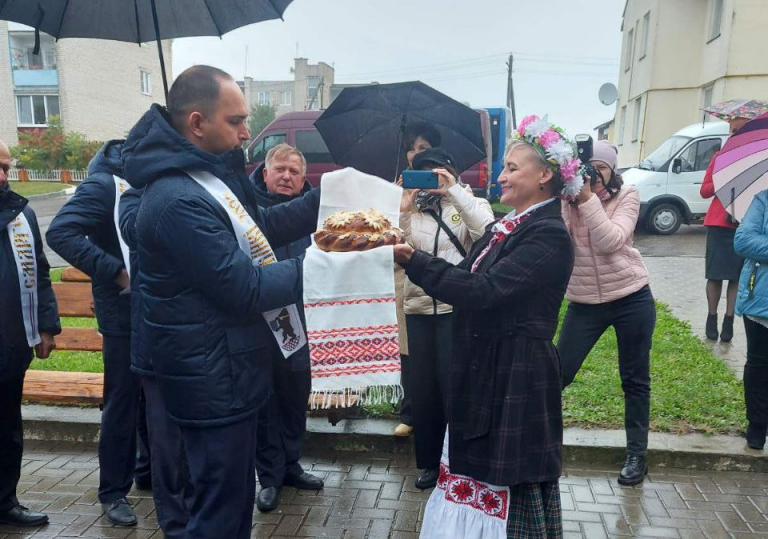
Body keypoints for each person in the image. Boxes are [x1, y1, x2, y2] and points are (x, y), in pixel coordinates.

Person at [121, 65, 320, 539]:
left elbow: (260, 231)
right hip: (211, 381)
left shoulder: (203, 178)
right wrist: (331, 268)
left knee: (229, 512)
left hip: (228, 371)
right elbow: (246, 286)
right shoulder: (176, 198)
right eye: (236, 121)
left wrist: (331, 199)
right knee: (217, 517)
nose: (247, 132)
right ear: (196, 123)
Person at [394, 115, 576, 538]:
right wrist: (409, 252)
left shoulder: (548, 234)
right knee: (477, 472)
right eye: (505, 167)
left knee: (508, 480)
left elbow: (485, 290)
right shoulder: (507, 226)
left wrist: (413, 261)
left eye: (513, 167)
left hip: (517, 374)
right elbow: (469, 277)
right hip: (489, 368)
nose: (502, 176)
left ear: (546, 174)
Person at [46, 140, 149, 526]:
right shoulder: (105, 183)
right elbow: (60, 233)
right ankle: (112, 492)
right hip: (122, 312)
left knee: (147, 394)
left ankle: (147, 470)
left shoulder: (140, 181)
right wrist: (115, 271)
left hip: (151, 308)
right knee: (122, 399)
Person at [558, 140, 656, 486]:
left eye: (601, 166)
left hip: (631, 297)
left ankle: (636, 456)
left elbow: (611, 241)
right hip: (584, 302)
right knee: (557, 372)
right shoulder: (566, 198)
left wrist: (586, 200)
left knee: (634, 378)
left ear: (612, 170)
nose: (593, 173)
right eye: (587, 166)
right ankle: (538, 442)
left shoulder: (627, 195)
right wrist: (569, 197)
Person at [399, 147, 494, 490]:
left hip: (458, 310)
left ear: (451, 174)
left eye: (437, 173)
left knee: (456, 389)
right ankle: (428, 463)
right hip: (419, 309)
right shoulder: (413, 208)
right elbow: (400, 250)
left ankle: (461, 462)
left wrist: (453, 191)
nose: (430, 180)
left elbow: (487, 233)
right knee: (424, 392)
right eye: (423, 173)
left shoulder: (469, 202)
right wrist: (404, 211)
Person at [250, 144, 324, 513]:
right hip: (258, 320)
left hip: (300, 319)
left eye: (294, 171)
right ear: (265, 173)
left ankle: (291, 464)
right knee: (266, 399)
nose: (286, 177)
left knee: (295, 395)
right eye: (279, 169)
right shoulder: (248, 210)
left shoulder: (317, 213)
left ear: (304, 178)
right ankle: (269, 477)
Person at [119, 187, 191, 538]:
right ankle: (175, 526)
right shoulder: (136, 199)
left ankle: (196, 518)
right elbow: (138, 233)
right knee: (167, 445)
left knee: (195, 446)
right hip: (157, 348)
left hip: (197, 345)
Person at [0, 139, 60, 527]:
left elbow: (39, 270)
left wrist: (47, 325)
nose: (3, 175)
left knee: (7, 430)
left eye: (6, 167)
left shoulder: (21, 213)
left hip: (10, 344)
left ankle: (5, 502)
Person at [392, 122, 444, 438]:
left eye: (423, 148)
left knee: (438, 350)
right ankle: (410, 413)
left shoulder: (447, 187)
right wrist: (396, 199)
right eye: (411, 147)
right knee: (408, 348)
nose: (415, 153)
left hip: (438, 279)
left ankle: (438, 410)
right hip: (404, 278)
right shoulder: (395, 188)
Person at [701, 117, 750, 342]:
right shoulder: (719, 157)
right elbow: (705, 191)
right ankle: (712, 317)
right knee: (715, 275)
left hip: (742, 223)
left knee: (735, 276)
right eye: (732, 130)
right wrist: (723, 178)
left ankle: (728, 321)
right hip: (719, 224)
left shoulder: (755, 161)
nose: (734, 134)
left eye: (739, 130)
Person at [734, 189, 768, 450]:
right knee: (758, 363)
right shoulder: (763, 199)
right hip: (762, 301)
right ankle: (757, 423)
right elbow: (743, 241)